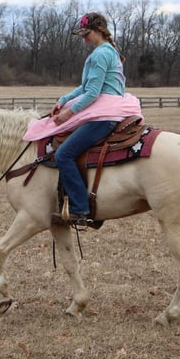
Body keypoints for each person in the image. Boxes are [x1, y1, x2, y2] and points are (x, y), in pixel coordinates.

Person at [48, 11, 139, 226]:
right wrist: (64, 99)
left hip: (104, 116)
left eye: (86, 33)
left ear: (98, 31)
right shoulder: (107, 51)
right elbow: (85, 87)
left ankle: (80, 208)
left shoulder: (100, 54)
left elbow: (92, 93)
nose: (83, 38)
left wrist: (68, 113)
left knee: (63, 154)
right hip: (110, 110)